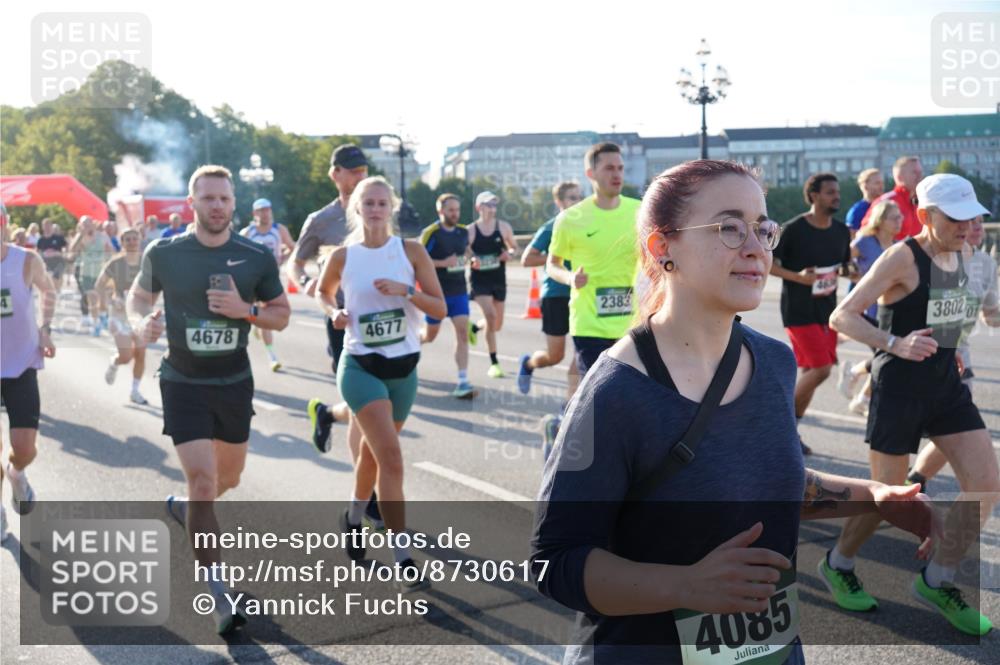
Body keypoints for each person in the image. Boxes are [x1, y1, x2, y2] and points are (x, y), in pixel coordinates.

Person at [531, 159, 937, 664]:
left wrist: (875, 496)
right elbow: (555, 563)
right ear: (663, 248)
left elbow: (760, 479)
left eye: (763, 229)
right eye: (728, 227)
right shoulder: (616, 391)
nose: (754, 247)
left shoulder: (773, 361)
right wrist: (685, 585)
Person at [824, 173, 998, 636]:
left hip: (945, 386)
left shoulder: (969, 257)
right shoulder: (901, 257)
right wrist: (893, 342)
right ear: (925, 216)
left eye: (973, 217)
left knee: (986, 483)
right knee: (890, 499)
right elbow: (841, 316)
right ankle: (839, 562)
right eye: (957, 219)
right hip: (899, 387)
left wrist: (961, 339)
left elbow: (974, 314)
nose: (968, 227)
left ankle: (938, 578)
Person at [128, 164, 291, 635]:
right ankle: (217, 591)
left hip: (234, 380)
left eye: (224, 198)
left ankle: (182, 508)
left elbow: (280, 316)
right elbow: (137, 299)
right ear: (191, 202)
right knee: (203, 482)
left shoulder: (255, 257)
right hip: (182, 380)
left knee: (228, 479)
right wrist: (142, 323)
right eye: (208, 198)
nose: (217, 206)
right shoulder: (165, 253)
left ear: (234, 203)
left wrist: (248, 311)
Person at [315, 176, 445, 589]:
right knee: (390, 457)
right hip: (360, 367)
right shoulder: (343, 256)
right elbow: (322, 291)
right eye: (367, 203)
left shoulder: (411, 251)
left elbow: (439, 307)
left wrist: (407, 291)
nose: (375, 210)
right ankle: (403, 555)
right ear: (357, 208)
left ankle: (352, 516)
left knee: (371, 458)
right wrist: (333, 311)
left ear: (392, 209)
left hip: (403, 370)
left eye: (381, 203)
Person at [906, 213, 999, 492]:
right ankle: (893, 494)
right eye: (967, 222)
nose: (975, 228)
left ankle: (915, 480)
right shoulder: (933, 258)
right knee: (908, 433)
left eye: (979, 222)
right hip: (919, 355)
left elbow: (990, 316)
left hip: (960, 358)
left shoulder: (985, 263)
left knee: (957, 429)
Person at [769, 172, 852, 455]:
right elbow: (768, 263)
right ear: (814, 195)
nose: (836, 196)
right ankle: (776, 425)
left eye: (837, 192)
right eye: (830, 192)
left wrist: (855, 271)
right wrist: (798, 277)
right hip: (798, 311)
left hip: (828, 313)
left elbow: (843, 267)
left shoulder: (841, 231)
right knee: (821, 368)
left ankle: (789, 434)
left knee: (810, 372)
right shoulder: (793, 229)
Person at [293, 144, 368, 451]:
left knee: (378, 403)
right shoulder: (322, 220)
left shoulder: (382, 209)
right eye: (353, 171)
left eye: (363, 170)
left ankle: (326, 414)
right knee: (364, 403)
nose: (360, 176)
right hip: (341, 318)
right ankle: (367, 494)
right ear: (335, 175)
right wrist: (305, 281)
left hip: (381, 316)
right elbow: (295, 261)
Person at [546, 142, 641, 379]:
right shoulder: (570, 218)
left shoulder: (640, 211)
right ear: (591, 174)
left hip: (634, 323)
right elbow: (552, 264)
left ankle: (568, 413)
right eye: (609, 168)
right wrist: (569, 277)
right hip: (590, 324)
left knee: (633, 395)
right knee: (599, 395)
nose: (617, 174)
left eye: (620, 168)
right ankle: (572, 414)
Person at [0, 221, 57, 543]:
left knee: (24, 449)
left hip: (20, 366)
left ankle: (17, 473)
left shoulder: (25, 260)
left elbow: (48, 290)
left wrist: (45, 327)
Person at [518, 181, 583, 457]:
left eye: (580, 197)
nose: (577, 202)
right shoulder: (552, 227)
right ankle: (529, 363)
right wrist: (556, 256)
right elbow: (526, 259)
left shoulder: (587, 223)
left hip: (583, 297)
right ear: (559, 202)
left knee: (581, 357)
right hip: (556, 294)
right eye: (571, 198)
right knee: (555, 356)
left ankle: (563, 417)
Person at [837, 200, 903, 415]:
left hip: (892, 309)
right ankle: (860, 386)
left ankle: (861, 391)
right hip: (869, 309)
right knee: (888, 355)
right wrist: (855, 275)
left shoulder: (898, 246)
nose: (899, 221)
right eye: (894, 217)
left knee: (887, 356)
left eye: (900, 217)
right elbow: (841, 262)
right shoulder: (865, 241)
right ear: (881, 220)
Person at [419, 193, 476, 398]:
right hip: (436, 293)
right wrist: (443, 263)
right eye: (451, 210)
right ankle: (412, 344)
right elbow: (418, 261)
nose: (455, 214)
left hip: (459, 291)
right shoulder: (430, 233)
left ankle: (462, 381)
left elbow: (467, 251)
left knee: (462, 333)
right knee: (430, 336)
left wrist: (472, 259)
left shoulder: (462, 232)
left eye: (457, 210)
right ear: (440, 211)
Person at [467, 191, 519, 378]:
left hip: (498, 278)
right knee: (490, 316)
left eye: (494, 205)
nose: (492, 208)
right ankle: (494, 363)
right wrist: (472, 258)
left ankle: (474, 328)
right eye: (488, 204)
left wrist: (509, 254)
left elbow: (514, 247)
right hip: (480, 280)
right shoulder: (471, 230)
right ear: (479, 208)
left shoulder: (503, 227)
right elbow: (464, 251)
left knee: (496, 324)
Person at [240, 198, 295, 371]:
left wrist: (281, 259)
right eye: (261, 210)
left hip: (271, 280)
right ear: (254, 213)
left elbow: (292, 247)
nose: (265, 213)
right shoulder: (248, 232)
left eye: (268, 210)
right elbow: (238, 255)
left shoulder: (279, 230)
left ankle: (271, 356)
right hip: (252, 280)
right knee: (255, 313)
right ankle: (265, 343)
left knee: (266, 314)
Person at [97, 227, 149, 405]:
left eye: (135, 238)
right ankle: (115, 362)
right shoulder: (115, 263)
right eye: (128, 239)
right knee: (126, 356)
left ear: (140, 240)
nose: (132, 242)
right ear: (122, 242)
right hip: (119, 314)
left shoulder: (147, 262)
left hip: (141, 314)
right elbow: (99, 284)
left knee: (141, 353)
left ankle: (135, 391)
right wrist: (108, 303)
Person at [69, 215, 114, 335]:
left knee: (103, 301)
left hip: (101, 273)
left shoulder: (102, 236)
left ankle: (103, 315)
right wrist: (80, 234)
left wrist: (111, 264)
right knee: (92, 300)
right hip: (86, 273)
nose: (87, 226)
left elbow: (112, 251)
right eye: (84, 224)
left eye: (89, 223)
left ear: (93, 224)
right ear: (81, 226)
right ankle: (96, 325)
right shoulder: (80, 238)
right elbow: (72, 250)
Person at [861, 156, 923, 240]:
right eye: (914, 172)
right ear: (899, 177)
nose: (920, 176)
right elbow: (866, 233)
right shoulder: (886, 201)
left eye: (920, 172)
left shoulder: (922, 200)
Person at [845, 168, 884, 238]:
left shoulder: (886, 207)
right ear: (865, 186)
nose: (881, 186)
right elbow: (852, 238)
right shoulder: (857, 211)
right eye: (877, 183)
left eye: (882, 183)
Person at [36, 219, 68, 291]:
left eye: (48, 225)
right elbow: (37, 252)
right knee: (47, 280)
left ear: (51, 226)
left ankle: (57, 292)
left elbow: (67, 246)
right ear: (42, 227)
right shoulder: (41, 239)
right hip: (46, 262)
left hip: (58, 261)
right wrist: (44, 254)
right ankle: (51, 292)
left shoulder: (58, 238)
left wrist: (61, 253)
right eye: (45, 225)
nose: (47, 227)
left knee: (56, 278)